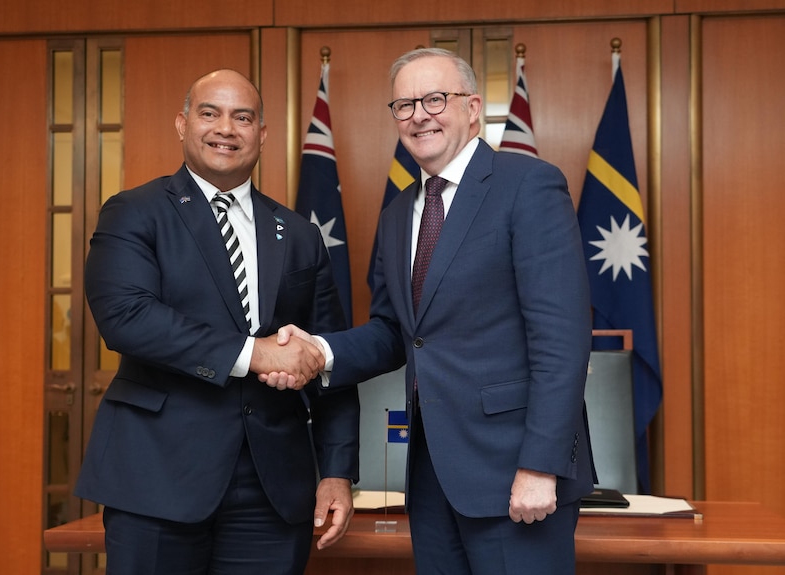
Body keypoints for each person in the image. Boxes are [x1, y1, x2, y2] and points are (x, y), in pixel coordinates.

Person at [264, 48, 595, 575]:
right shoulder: (398, 215)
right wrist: (320, 350)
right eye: (404, 105)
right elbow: (397, 332)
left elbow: (562, 337)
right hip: (432, 477)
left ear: (472, 107)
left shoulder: (527, 185)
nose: (419, 115)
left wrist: (541, 464)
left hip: (516, 472)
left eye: (435, 99)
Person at [75, 69, 360, 575]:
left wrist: (337, 470)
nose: (226, 128)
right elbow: (126, 318)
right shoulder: (134, 212)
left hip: (273, 489)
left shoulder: (296, 234)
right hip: (157, 479)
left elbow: (327, 356)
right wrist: (257, 353)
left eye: (242, 117)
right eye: (210, 113)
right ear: (183, 125)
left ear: (262, 134)